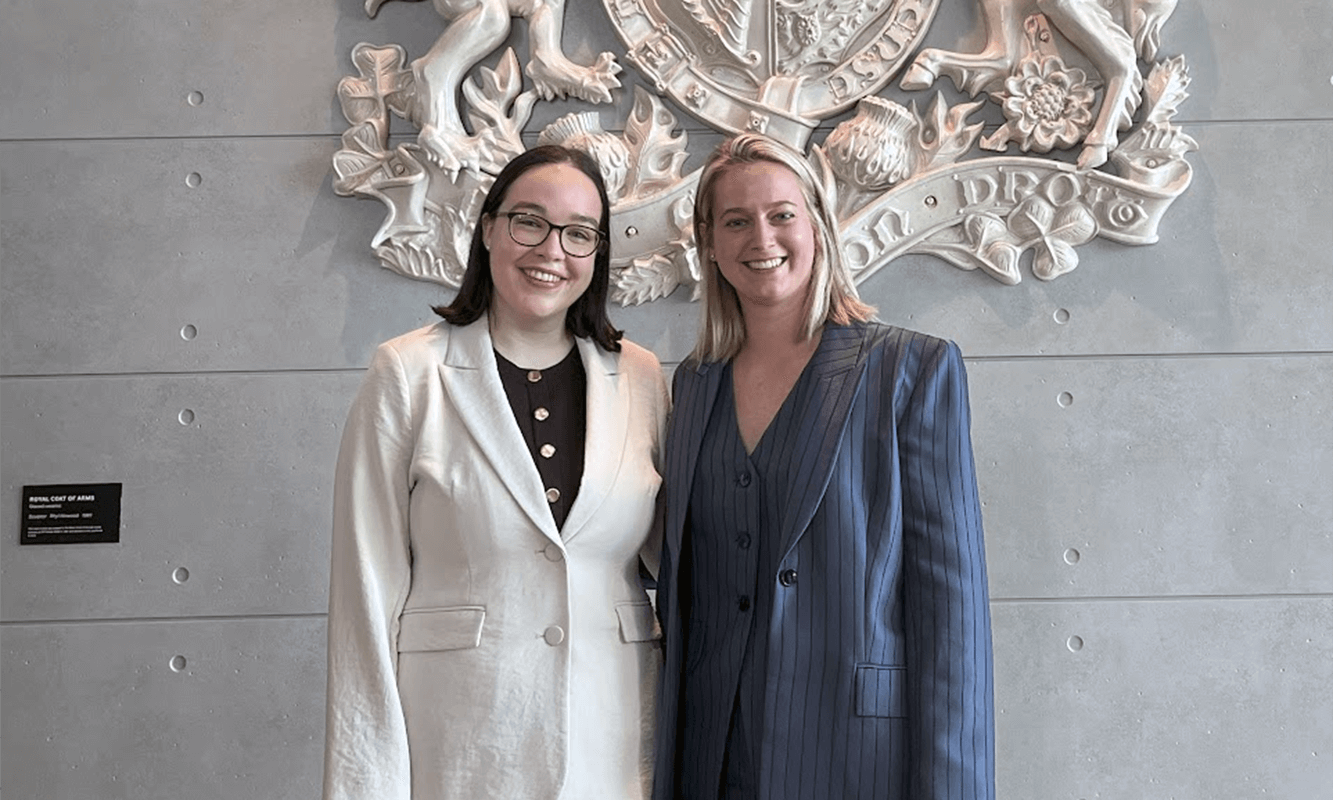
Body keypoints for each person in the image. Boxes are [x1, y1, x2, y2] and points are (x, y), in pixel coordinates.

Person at [652, 133, 995, 800]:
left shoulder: (909, 370)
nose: (761, 236)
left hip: (856, 755)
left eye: (781, 213)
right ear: (709, 244)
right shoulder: (693, 385)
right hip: (711, 754)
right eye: (735, 220)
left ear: (817, 224)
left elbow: (950, 615)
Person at [323, 145, 668, 800]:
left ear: (596, 254)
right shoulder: (408, 374)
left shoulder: (643, 378)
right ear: (488, 229)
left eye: (577, 233)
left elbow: (678, 560)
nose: (550, 250)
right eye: (528, 221)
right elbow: (364, 597)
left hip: (616, 745)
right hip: (464, 746)